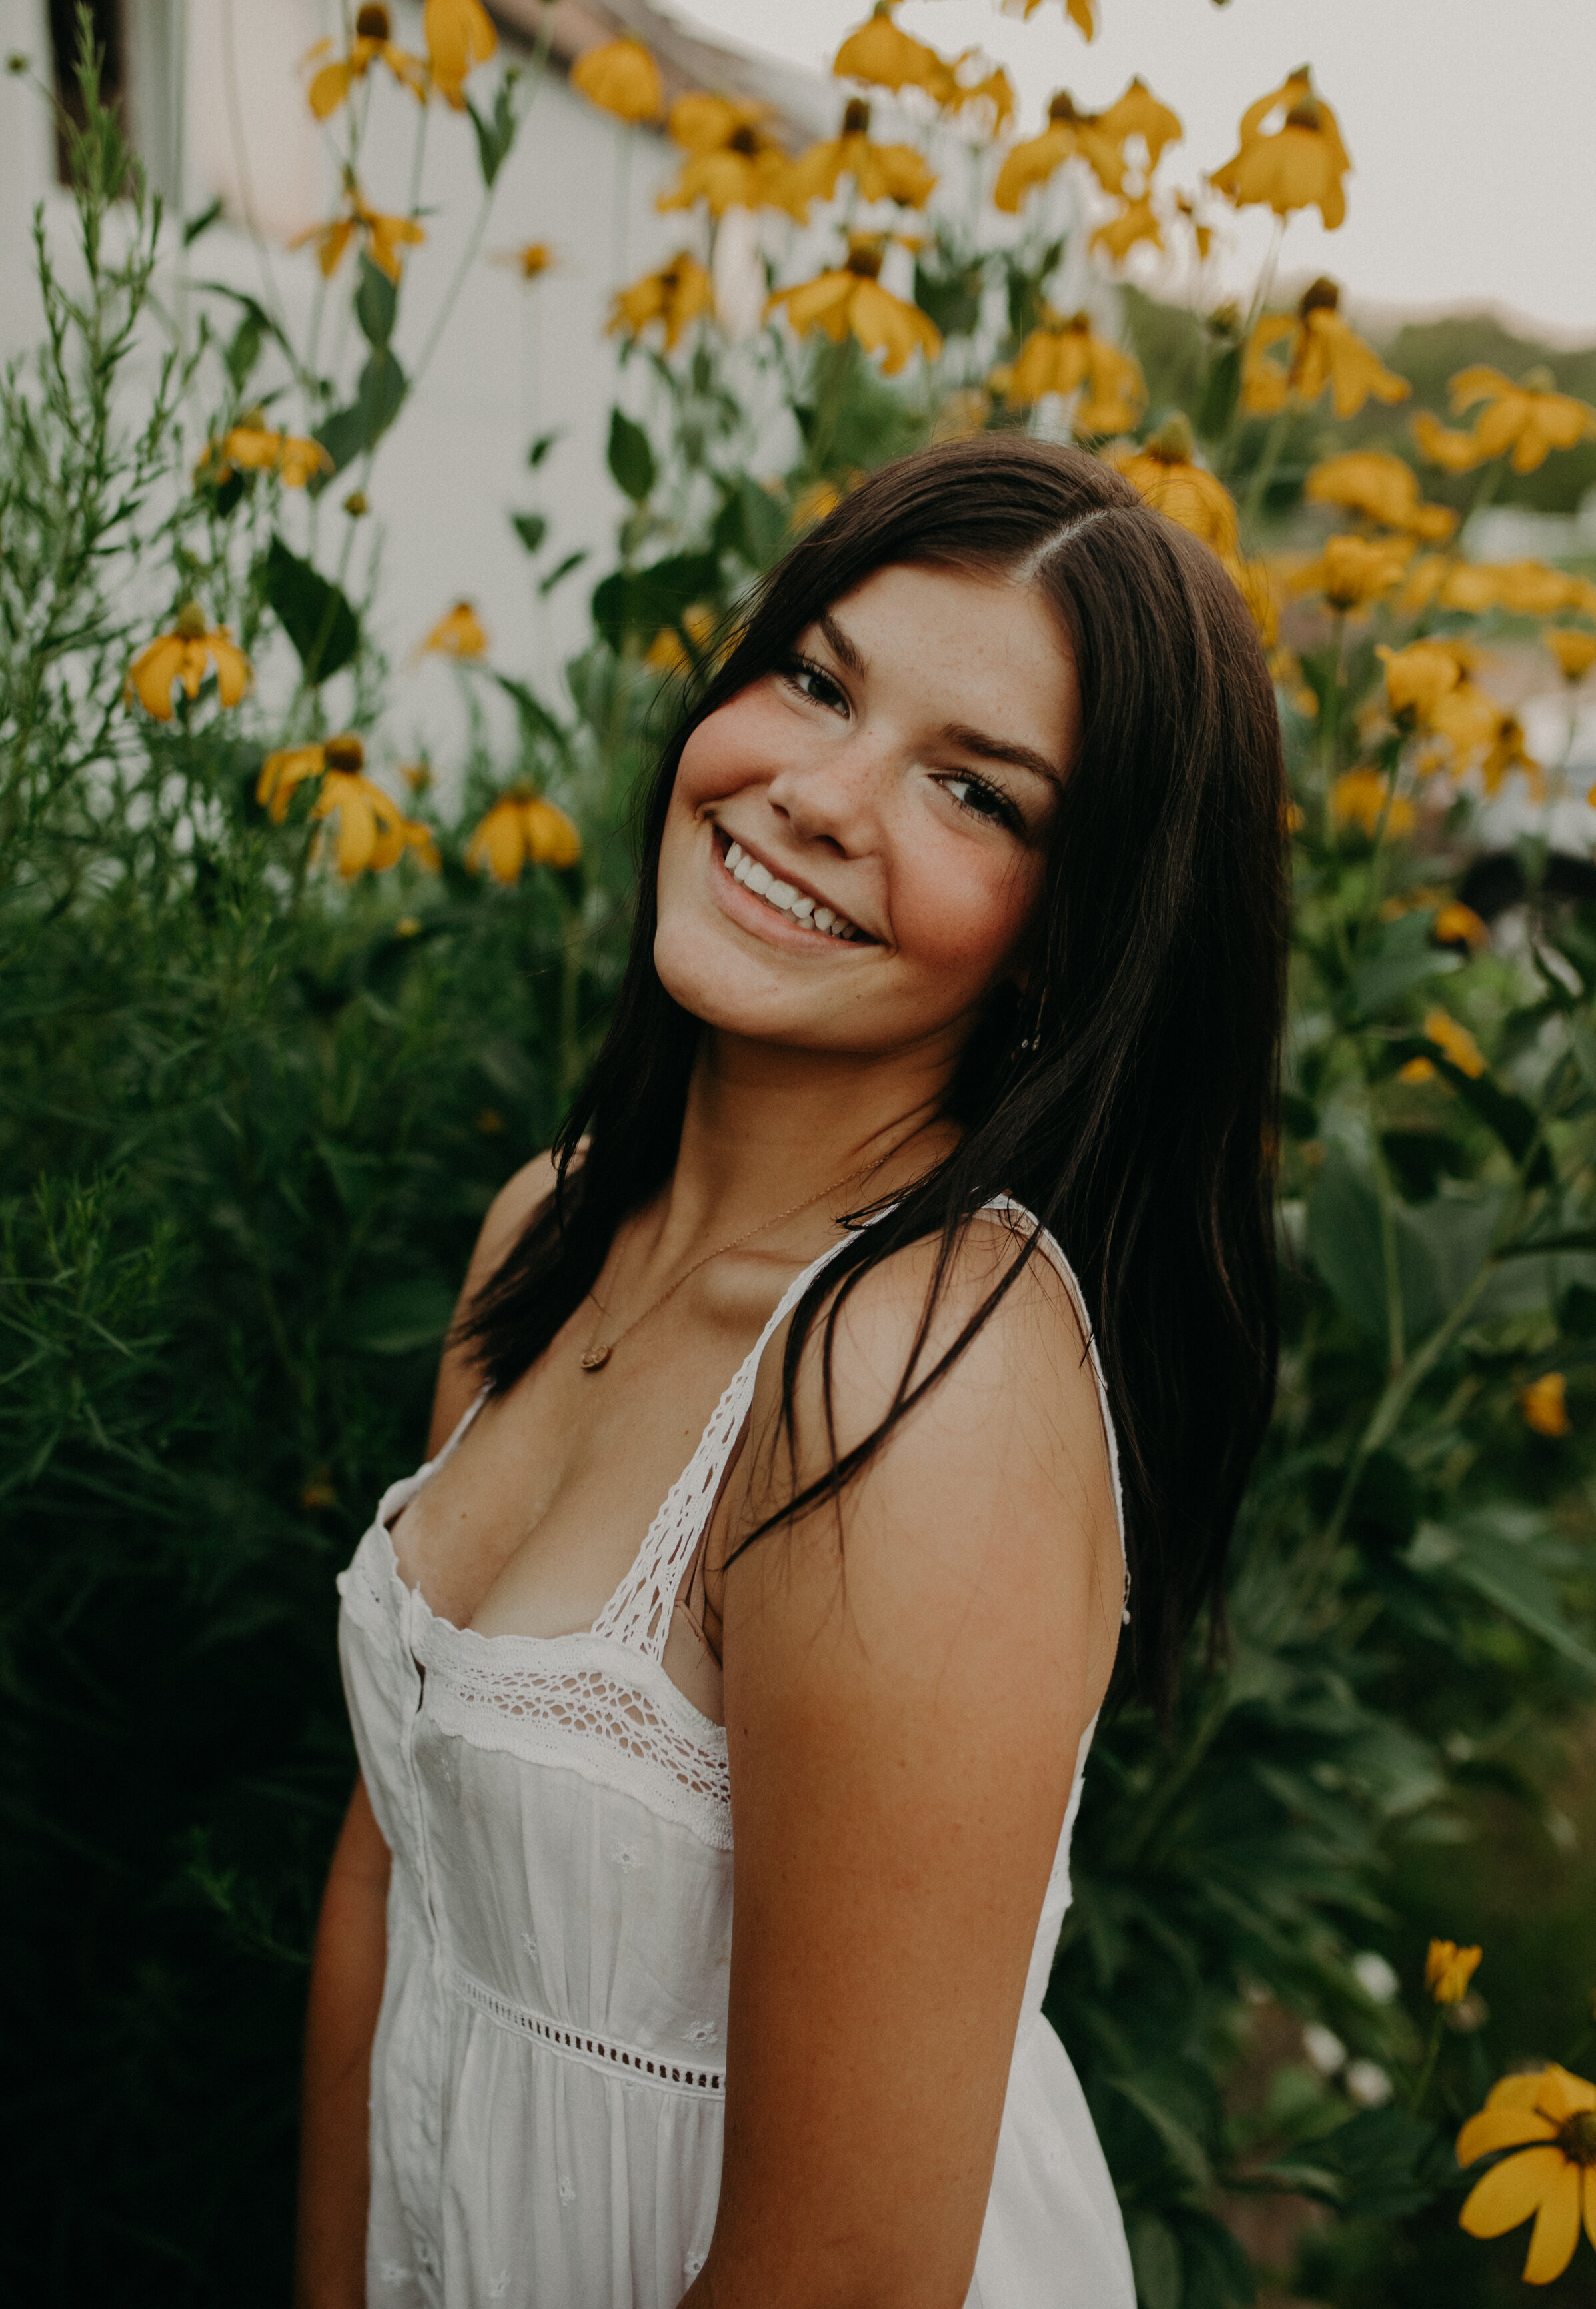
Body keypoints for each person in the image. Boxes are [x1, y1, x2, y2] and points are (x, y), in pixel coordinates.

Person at [295, 434, 1288, 2308]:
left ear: (1071, 940)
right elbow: (390, 1869)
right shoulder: (554, 1226)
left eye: (972, 792)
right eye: (814, 680)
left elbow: (838, 2281)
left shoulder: (916, 1391)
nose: (817, 796)